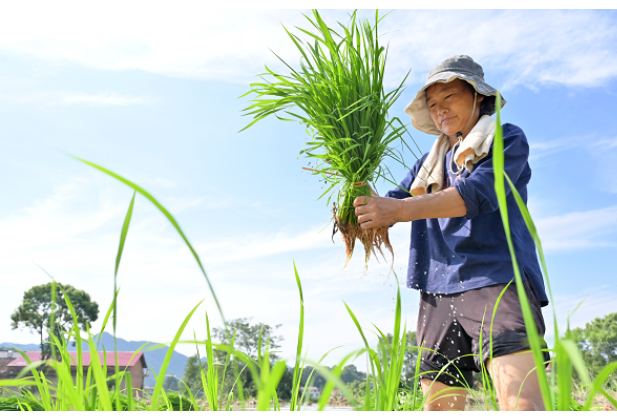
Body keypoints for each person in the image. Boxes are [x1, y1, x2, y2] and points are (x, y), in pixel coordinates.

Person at [353, 55, 549, 411]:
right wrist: (357, 199)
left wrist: (396, 210)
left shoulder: (506, 138)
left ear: (478, 97)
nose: (439, 110)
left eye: (449, 97)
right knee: (438, 406)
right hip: (437, 289)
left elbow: (477, 194)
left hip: (497, 278)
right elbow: (392, 204)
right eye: (432, 104)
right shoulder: (428, 163)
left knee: (521, 401)